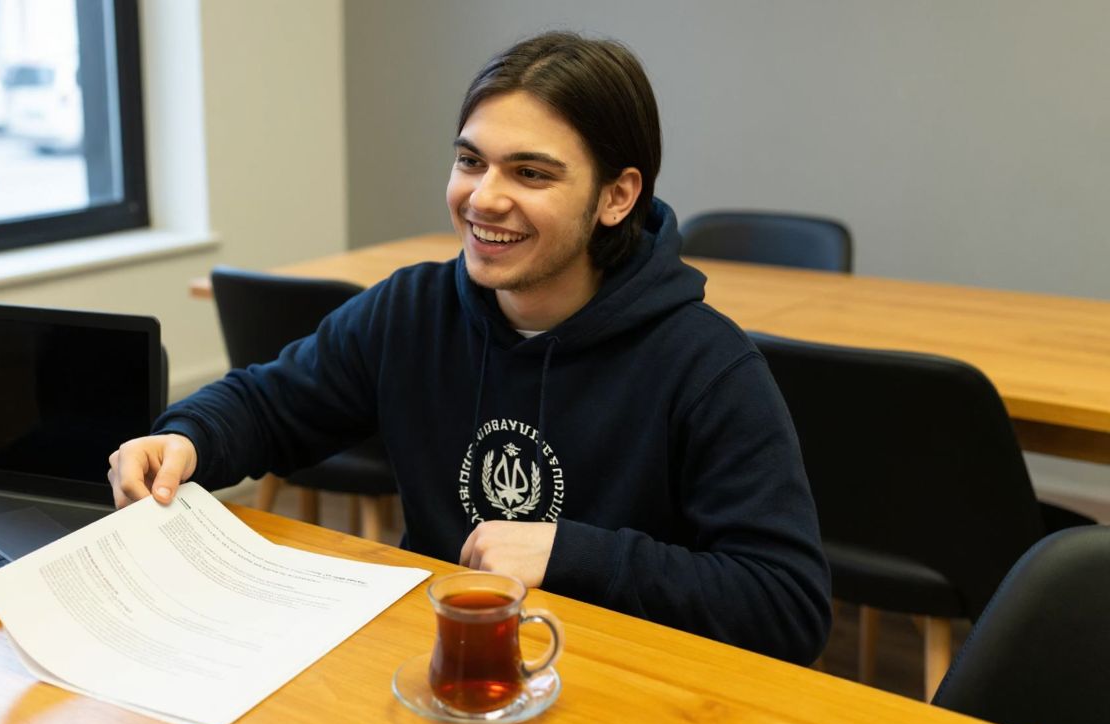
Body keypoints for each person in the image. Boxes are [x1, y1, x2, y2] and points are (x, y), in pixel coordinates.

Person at [109, 32, 831, 664]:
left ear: (617, 197)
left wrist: (565, 551)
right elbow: (269, 404)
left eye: (531, 172)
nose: (483, 198)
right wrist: (185, 438)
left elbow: (786, 604)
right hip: (444, 667)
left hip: (626, 685)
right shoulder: (411, 310)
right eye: (469, 161)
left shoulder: (707, 364)